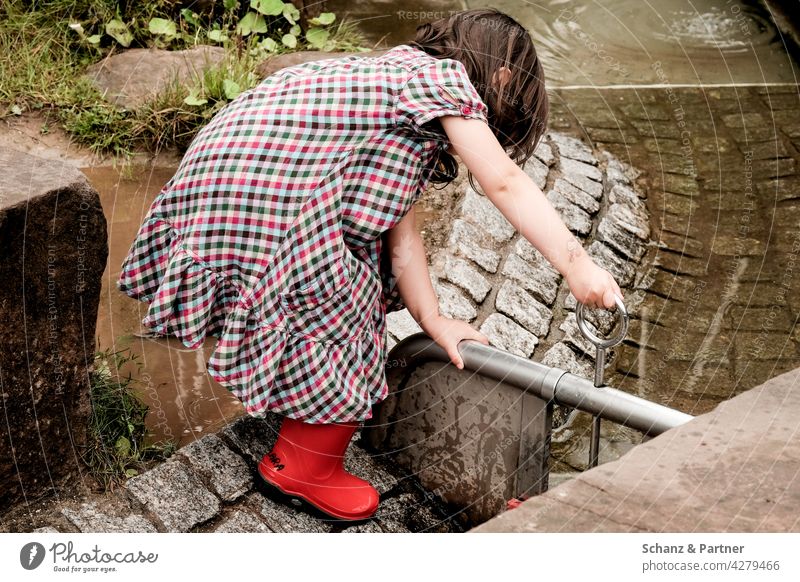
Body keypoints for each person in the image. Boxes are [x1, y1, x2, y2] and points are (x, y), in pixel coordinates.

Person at [117, 8, 623, 522]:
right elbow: (505, 181)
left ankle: (296, 399)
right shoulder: (444, 83)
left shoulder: (389, 79)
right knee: (349, 303)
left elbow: (400, 234)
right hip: (267, 208)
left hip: (221, 188)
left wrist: (435, 321)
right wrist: (575, 264)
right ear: (502, 77)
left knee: (367, 264)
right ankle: (301, 467)